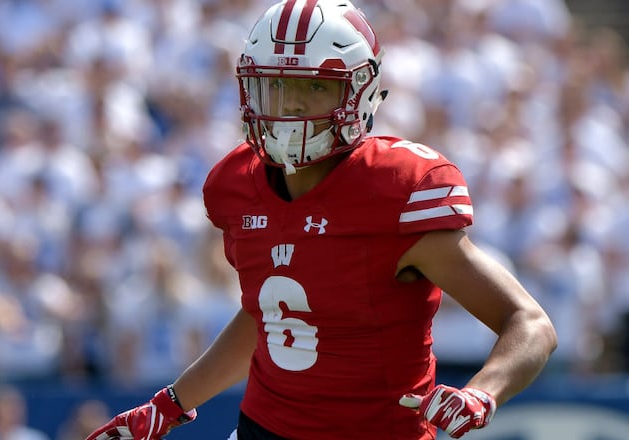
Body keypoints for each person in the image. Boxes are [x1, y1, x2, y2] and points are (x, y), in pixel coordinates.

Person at [85, 1, 557, 439]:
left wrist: (482, 391)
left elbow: (531, 324)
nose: (290, 103)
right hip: (263, 429)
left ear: (360, 90)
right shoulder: (235, 185)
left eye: (314, 85)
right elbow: (269, 316)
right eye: (277, 84)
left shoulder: (396, 189)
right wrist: (169, 405)